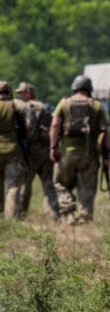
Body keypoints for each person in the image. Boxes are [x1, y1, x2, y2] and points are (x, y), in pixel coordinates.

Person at [50, 75, 110, 224]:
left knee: (61, 184)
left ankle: (68, 215)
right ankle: (84, 218)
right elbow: (106, 131)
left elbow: (55, 126)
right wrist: (106, 155)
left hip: (66, 155)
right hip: (89, 155)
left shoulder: (63, 103)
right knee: (87, 188)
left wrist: (53, 147)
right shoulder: (97, 106)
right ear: (90, 89)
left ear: (74, 88)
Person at [5, 82, 58, 220]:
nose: (19, 95)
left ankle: (21, 214)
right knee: (48, 184)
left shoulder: (22, 108)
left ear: (29, 93)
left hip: (30, 152)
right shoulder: (46, 107)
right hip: (46, 151)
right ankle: (52, 215)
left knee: (24, 184)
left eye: (21, 92)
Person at [0, 81, 31, 218]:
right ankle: (11, 217)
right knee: (12, 186)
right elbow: (29, 127)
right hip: (13, 151)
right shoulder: (17, 105)